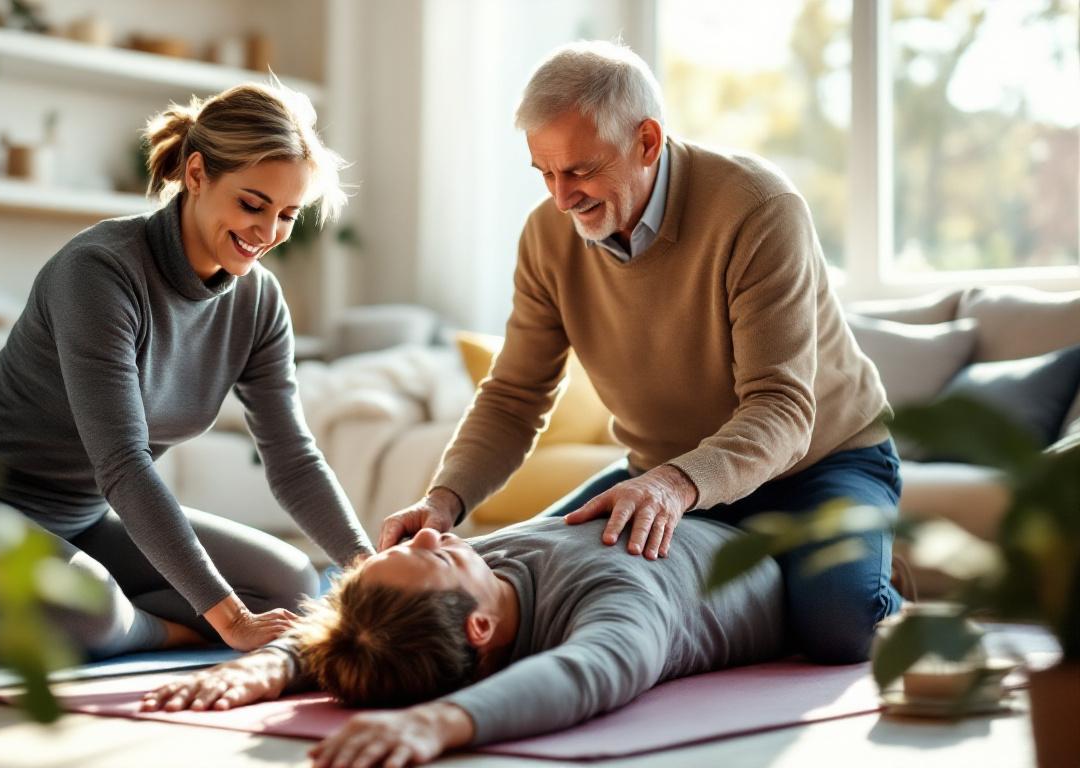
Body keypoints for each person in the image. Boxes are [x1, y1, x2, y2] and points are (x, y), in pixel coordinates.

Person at [378, 40, 902, 664]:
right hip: (657, 473)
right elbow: (515, 397)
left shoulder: (758, 208)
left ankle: (865, 581)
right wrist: (444, 500)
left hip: (820, 465)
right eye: (544, 173)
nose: (561, 198)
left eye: (580, 171)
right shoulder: (547, 236)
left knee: (838, 625)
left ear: (647, 141)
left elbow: (782, 410)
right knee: (510, 580)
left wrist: (675, 486)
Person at [0, 82, 374, 657]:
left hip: (76, 520)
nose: (269, 233)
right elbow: (123, 463)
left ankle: (110, 626)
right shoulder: (99, 271)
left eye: (288, 215)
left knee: (291, 582)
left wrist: (371, 572)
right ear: (197, 174)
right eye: (252, 205)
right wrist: (229, 620)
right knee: (94, 612)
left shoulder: (259, 302)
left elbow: (292, 457)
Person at [139, 516, 785, 767]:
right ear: (479, 628)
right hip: (744, 535)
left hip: (664, 499)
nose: (429, 533)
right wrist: (440, 722)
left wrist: (273, 664)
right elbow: (589, 670)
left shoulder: (482, 576)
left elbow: (364, 632)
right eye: (438, 558)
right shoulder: (615, 599)